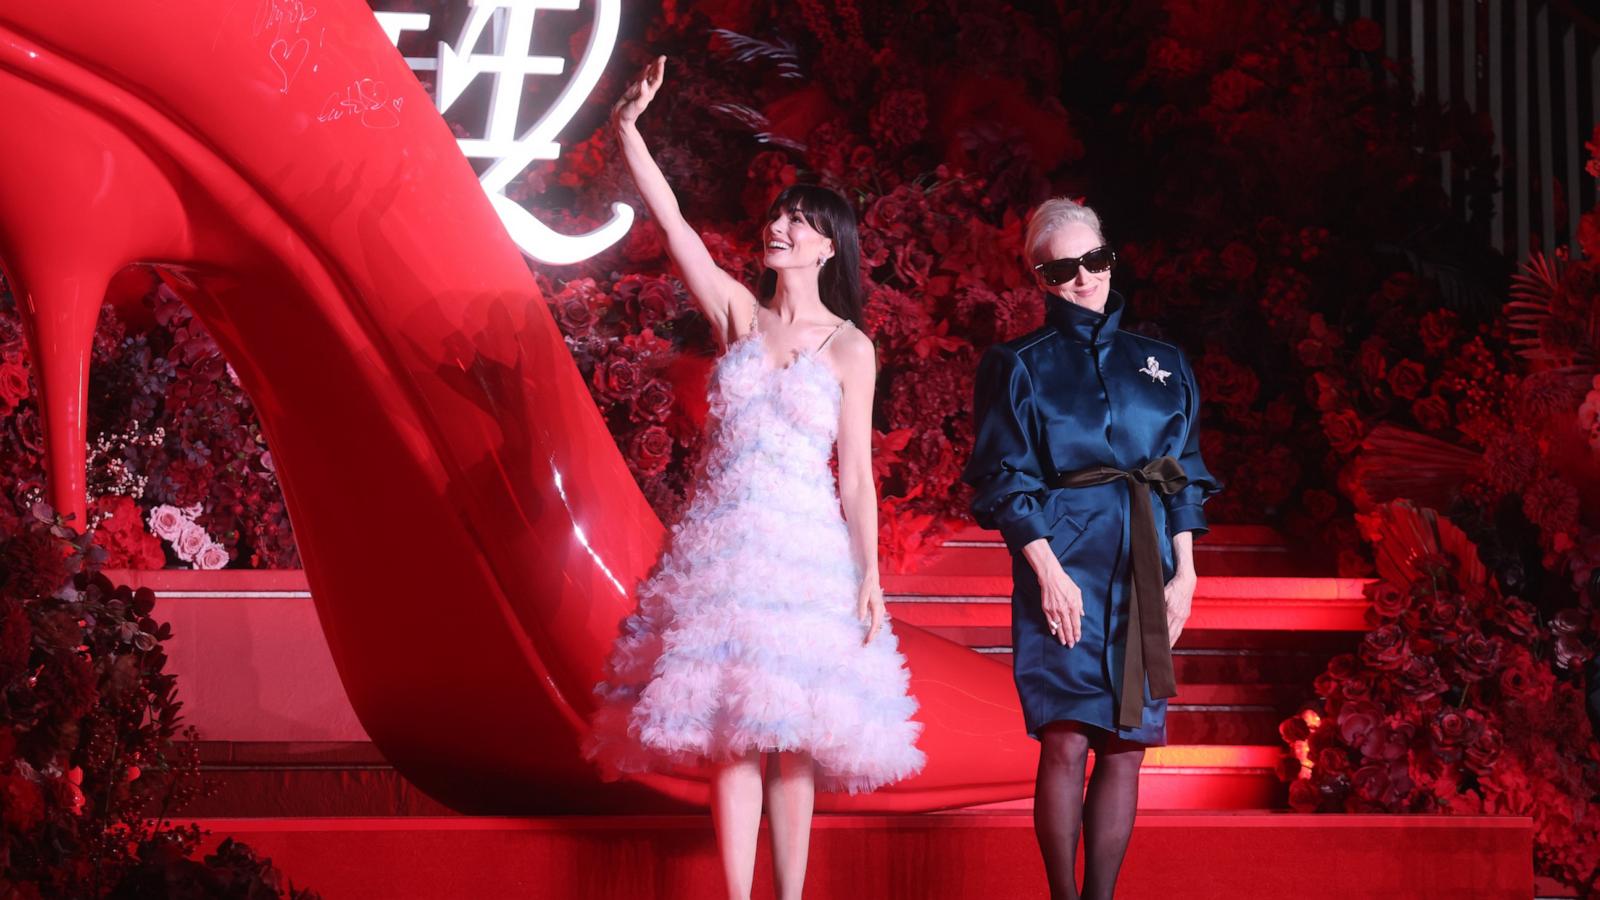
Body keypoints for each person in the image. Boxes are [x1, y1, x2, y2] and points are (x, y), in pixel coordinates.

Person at [583, 57, 924, 900]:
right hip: (721, 549)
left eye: (800, 223)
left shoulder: (851, 347)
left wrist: (869, 573)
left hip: (805, 552)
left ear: (827, 245)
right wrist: (628, 129)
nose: (780, 229)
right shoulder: (739, 311)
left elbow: (854, 480)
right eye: (779, 217)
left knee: (791, 735)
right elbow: (676, 230)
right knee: (730, 730)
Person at [961, 198, 1218, 900]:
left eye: (1094, 260)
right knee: (1068, 737)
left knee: (1126, 744)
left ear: (1110, 255)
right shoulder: (1017, 365)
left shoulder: (1162, 363)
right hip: (1065, 557)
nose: (1085, 279)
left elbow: (1183, 472)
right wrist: (1045, 571)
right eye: (1064, 268)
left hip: (1146, 561)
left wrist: (1186, 574)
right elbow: (1003, 478)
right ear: (1040, 276)